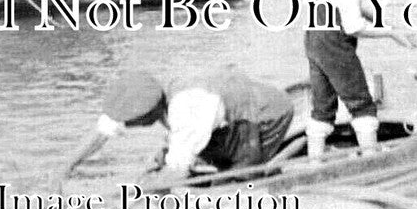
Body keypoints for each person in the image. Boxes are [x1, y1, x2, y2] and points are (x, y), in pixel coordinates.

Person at [63, 68, 296, 181]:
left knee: (235, 178)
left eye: (131, 122)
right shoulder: (154, 92)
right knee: (197, 155)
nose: (127, 126)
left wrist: (141, 191)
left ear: (148, 116)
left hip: (266, 115)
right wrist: (65, 168)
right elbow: (102, 132)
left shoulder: (184, 109)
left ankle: (267, 179)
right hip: (225, 113)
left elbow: (177, 172)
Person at [300, 0, 390, 158]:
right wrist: (391, 34)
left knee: (322, 107)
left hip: (314, 36)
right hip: (335, 43)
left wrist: (381, 18)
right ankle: (371, 161)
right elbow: (355, 27)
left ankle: (314, 165)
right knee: (362, 104)